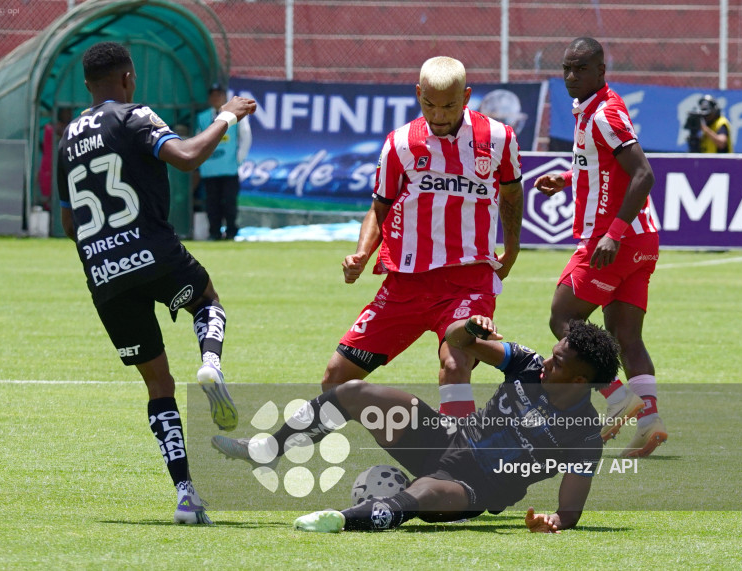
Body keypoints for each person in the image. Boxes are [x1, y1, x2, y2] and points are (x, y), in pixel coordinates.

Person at [56, 42, 256, 524]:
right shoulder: (134, 116)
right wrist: (226, 117)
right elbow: (186, 156)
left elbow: (68, 223)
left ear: (87, 86)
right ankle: (210, 364)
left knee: (158, 383)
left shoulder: (66, 138)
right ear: (128, 78)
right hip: (153, 251)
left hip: (103, 274)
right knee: (209, 304)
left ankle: (186, 494)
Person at [212, 315, 620, 533]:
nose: (547, 362)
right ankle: (267, 451)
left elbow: (570, 510)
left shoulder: (584, 433)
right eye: (552, 354)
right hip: (446, 439)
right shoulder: (529, 365)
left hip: (475, 488)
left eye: (558, 363)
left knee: (422, 493)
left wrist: (554, 521)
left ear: (581, 381)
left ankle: (340, 519)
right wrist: (470, 327)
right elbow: (460, 341)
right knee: (358, 392)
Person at [321, 56, 524, 417]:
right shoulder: (400, 143)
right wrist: (362, 255)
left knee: (454, 363)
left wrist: (512, 248)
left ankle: (455, 463)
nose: (439, 115)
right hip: (405, 284)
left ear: (466, 97)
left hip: (468, 280)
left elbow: (510, 193)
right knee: (335, 380)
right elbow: (379, 207)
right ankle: (416, 429)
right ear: (418, 94)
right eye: (429, 104)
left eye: (448, 106)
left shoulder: (498, 138)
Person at [533, 37, 666, 458]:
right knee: (627, 337)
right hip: (643, 240)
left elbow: (643, 174)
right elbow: (606, 167)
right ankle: (650, 422)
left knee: (562, 317)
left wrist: (613, 232)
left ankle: (618, 399)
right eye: (567, 68)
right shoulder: (593, 110)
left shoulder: (604, 112)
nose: (572, 76)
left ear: (601, 71)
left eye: (581, 69)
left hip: (614, 241)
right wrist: (567, 179)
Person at [195, 83, 252, 240]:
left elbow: (245, 136)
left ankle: (231, 232)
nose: (216, 98)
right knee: (212, 204)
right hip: (210, 169)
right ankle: (214, 232)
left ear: (224, 96)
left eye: (219, 95)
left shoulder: (236, 114)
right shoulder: (203, 117)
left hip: (229, 168)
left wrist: (238, 159)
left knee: (229, 203)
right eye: (213, 95)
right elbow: (198, 139)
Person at [39, 107, 73, 210]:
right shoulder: (51, 128)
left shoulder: (73, 128)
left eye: (69, 112)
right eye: (65, 112)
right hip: (50, 168)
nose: (67, 115)